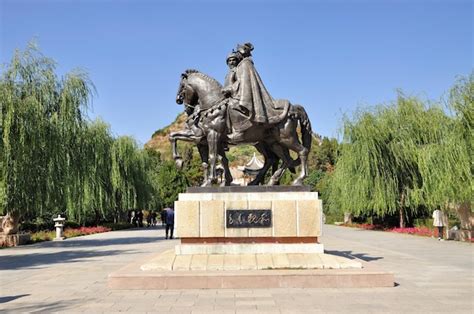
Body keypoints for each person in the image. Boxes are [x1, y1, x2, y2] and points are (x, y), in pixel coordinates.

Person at [222, 42, 289, 142]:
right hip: (233, 94)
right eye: (229, 61)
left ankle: (239, 130)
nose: (232, 62)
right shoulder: (229, 73)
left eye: (234, 59)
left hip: (240, 94)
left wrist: (230, 89)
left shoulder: (244, 64)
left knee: (232, 105)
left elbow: (242, 82)